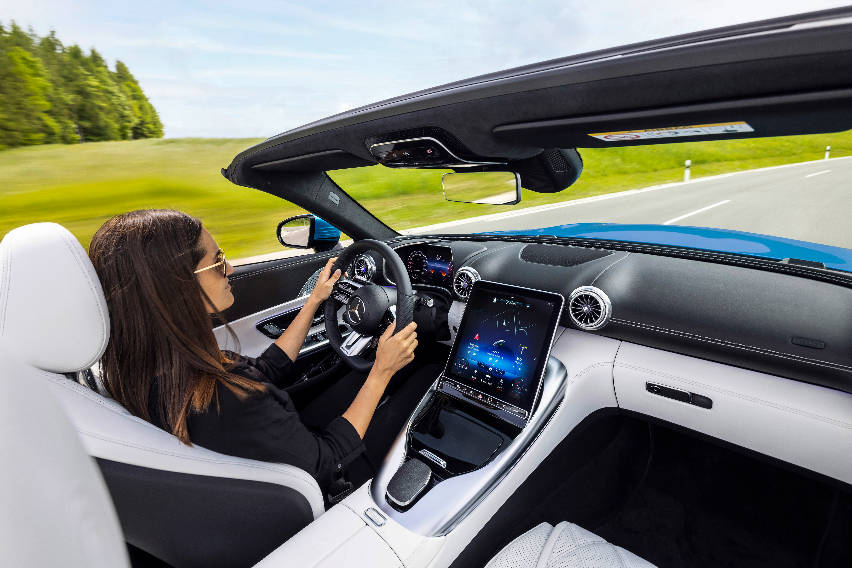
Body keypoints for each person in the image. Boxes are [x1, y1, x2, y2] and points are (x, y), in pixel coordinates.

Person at [88, 209, 432, 499]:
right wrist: (382, 371)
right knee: (424, 375)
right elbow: (329, 461)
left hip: (286, 451)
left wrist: (314, 302)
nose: (231, 270)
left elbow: (265, 369)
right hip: (334, 485)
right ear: (177, 287)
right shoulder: (224, 400)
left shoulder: (154, 369)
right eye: (218, 261)